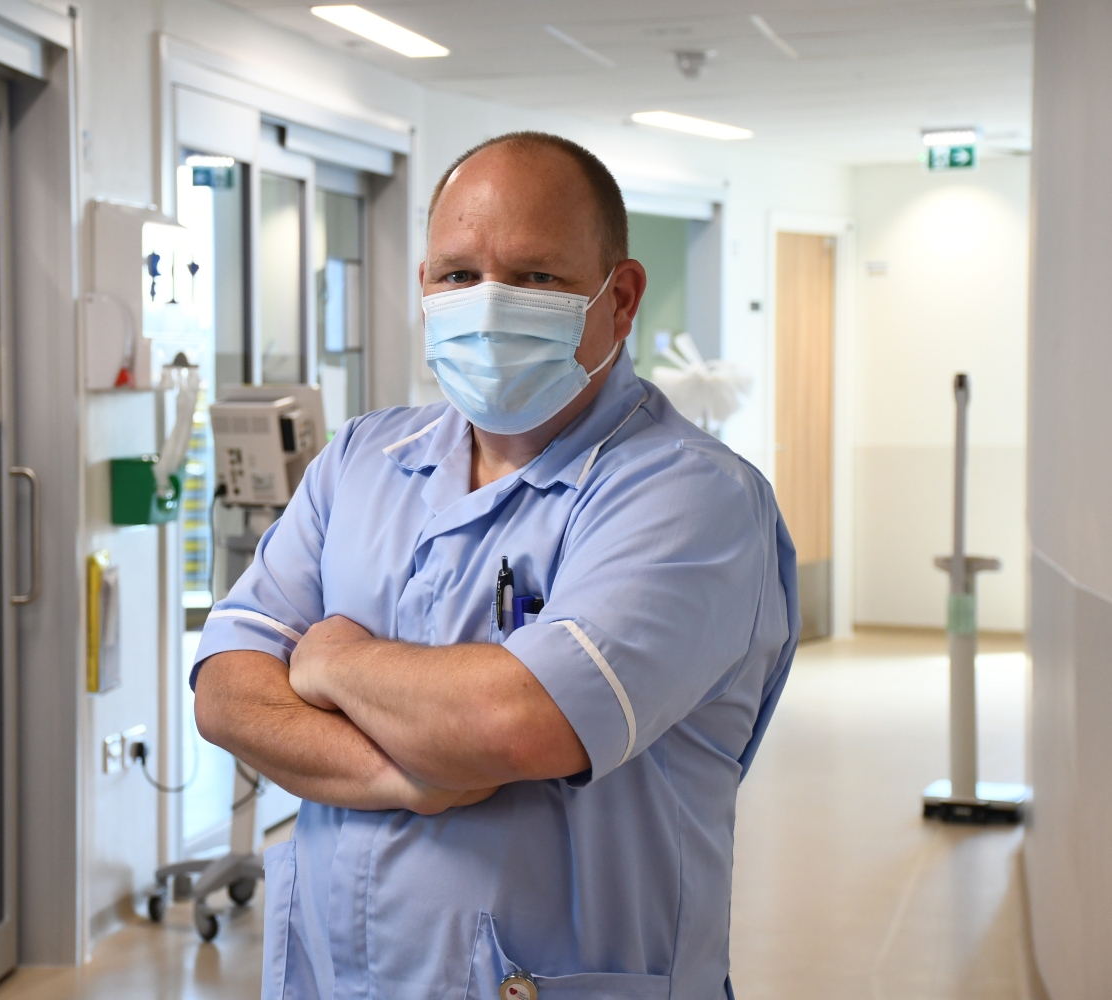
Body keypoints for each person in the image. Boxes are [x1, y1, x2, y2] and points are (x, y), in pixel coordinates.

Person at [193, 131, 798, 1000]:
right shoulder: (362, 460)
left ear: (619, 298)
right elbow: (226, 690)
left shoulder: (692, 497)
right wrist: (403, 775)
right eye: (458, 275)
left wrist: (332, 660)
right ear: (425, 288)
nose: (488, 304)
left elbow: (524, 724)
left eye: (536, 278)